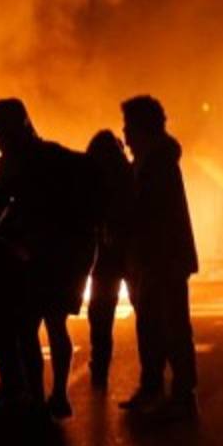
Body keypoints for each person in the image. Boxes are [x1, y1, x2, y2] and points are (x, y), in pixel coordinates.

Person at [0, 99, 94, 420]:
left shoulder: (17, 164)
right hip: (48, 257)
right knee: (41, 327)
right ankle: (50, 394)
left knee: (31, 327)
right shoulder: (55, 157)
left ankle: (43, 394)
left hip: (40, 258)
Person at [118, 95, 199, 421]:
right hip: (154, 259)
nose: (124, 134)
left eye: (128, 127)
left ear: (141, 128)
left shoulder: (157, 164)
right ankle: (156, 388)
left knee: (170, 326)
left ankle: (180, 393)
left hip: (162, 259)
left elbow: (151, 215)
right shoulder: (152, 161)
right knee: (153, 325)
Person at [85, 130, 135, 389]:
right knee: (145, 316)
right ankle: (155, 376)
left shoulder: (100, 180)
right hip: (126, 255)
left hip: (114, 257)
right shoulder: (129, 174)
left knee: (100, 315)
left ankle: (100, 367)